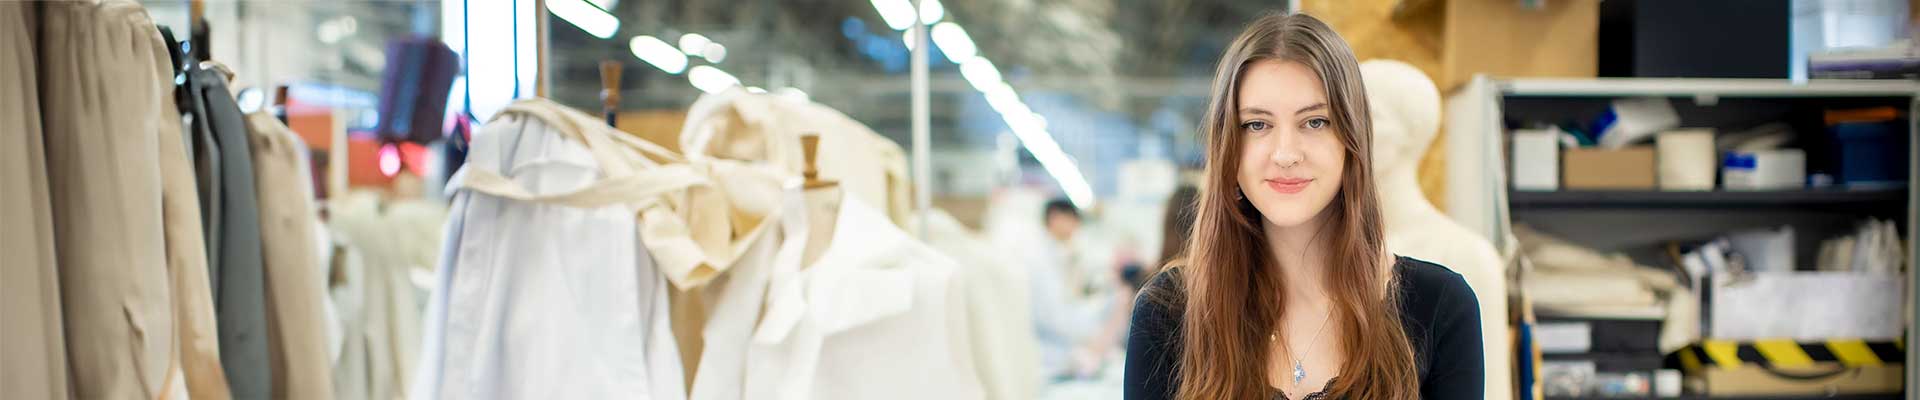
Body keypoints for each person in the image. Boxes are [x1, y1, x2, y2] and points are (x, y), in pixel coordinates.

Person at [1123, 12, 1484, 400]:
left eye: (1314, 122)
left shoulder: (1439, 306)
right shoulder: (1169, 311)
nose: (1285, 153)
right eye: (1257, 125)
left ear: (1352, 138)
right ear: (1229, 145)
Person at [1028, 198, 1130, 380]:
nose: (1075, 227)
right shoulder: (1040, 261)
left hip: (1062, 352)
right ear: (1055, 218)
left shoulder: (1060, 254)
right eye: (1072, 220)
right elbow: (1055, 317)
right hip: (1050, 357)